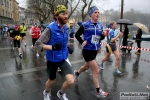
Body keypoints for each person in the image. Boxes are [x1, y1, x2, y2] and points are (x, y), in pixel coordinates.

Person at [35, 5, 74, 100]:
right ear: (56, 16)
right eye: (63, 14)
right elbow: (38, 44)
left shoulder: (66, 27)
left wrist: (68, 47)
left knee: (70, 81)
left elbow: (63, 41)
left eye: (66, 14)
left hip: (63, 58)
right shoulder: (50, 29)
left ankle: (61, 93)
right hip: (52, 59)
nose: (66, 16)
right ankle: (47, 92)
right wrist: (52, 47)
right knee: (51, 80)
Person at [74, 6, 108, 98]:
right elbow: (77, 35)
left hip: (95, 50)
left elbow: (100, 37)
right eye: (95, 12)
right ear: (90, 14)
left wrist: (103, 36)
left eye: (98, 12)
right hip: (87, 50)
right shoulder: (85, 25)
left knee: (86, 66)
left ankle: (77, 73)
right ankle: (98, 91)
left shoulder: (100, 25)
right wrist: (82, 42)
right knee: (96, 70)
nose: (97, 14)